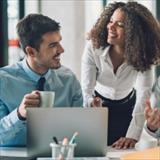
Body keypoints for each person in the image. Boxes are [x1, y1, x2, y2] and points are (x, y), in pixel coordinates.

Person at [81, 1, 160, 149]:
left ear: (134, 33)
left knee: (122, 151)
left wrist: (133, 135)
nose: (111, 26)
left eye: (120, 24)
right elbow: (86, 89)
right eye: (110, 21)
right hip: (98, 107)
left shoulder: (144, 55)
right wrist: (91, 102)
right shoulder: (94, 47)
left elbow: (144, 94)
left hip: (127, 109)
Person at [0, 14, 83, 147]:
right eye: (53, 45)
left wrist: (92, 116)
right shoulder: (3, 81)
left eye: (59, 42)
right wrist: (19, 114)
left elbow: (80, 132)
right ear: (31, 52)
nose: (61, 50)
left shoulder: (68, 80)